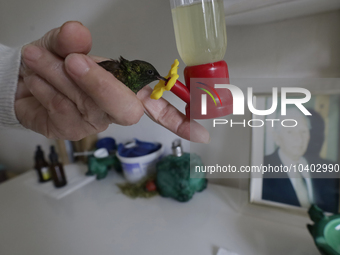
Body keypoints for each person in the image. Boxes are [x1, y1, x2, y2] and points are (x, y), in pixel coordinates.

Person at [0, 21, 210, 144]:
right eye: (150, 73)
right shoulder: (118, 72)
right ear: (136, 70)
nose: (156, 77)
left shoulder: (136, 85)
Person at [262, 107, 339, 213]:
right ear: (276, 138)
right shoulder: (261, 169)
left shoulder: (329, 169)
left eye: (303, 131)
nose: (299, 138)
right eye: (290, 132)